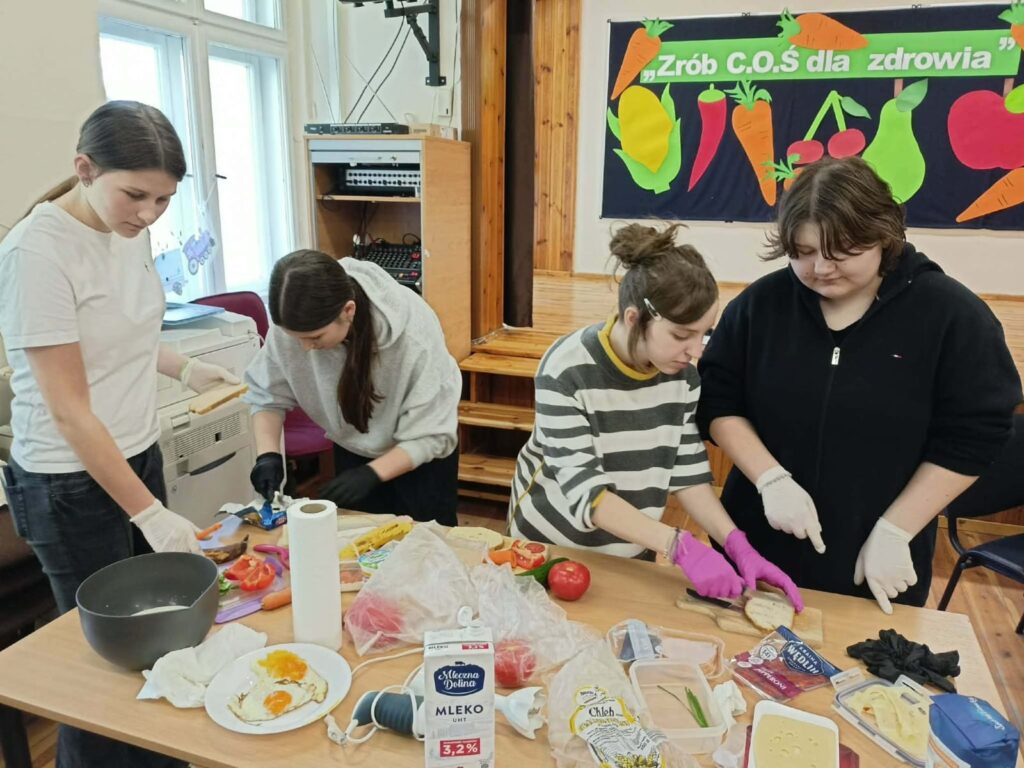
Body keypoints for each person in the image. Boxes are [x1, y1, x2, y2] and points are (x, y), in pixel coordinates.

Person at [0, 101, 238, 767]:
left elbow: (122, 336)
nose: (149, 214)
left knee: (161, 642)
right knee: (106, 671)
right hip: (69, 483)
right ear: (84, 169)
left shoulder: (127, 230)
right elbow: (71, 412)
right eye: (137, 195)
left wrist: (184, 366)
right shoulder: (37, 253)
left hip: (133, 454)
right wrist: (149, 512)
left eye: (164, 200)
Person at [696, 156, 1022, 614]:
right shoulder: (761, 306)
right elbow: (718, 400)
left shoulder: (952, 316)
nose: (820, 268)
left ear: (883, 236)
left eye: (842, 252)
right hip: (756, 550)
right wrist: (770, 479)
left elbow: (977, 435)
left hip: (875, 561)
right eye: (802, 252)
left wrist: (896, 529)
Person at [509, 223, 802, 607]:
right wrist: (679, 546)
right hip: (552, 550)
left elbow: (686, 471)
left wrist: (736, 543)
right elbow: (587, 494)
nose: (696, 351)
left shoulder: (683, 378)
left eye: (704, 333)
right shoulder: (567, 370)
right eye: (681, 336)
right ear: (634, 319)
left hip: (634, 547)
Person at [245, 249, 462, 525]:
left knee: (427, 543)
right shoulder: (295, 321)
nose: (305, 348)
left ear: (348, 311)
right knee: (361, 543)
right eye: (296, 338)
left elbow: (432, 434)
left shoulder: (414, 336)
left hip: (420, 459)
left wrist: (373, 473)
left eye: (315, 337)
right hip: (354, 451)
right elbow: (267, 395)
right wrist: (268, 455)